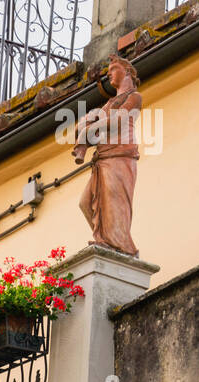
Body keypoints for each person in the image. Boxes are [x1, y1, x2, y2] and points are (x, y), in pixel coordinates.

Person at [73, 56, 142, 257]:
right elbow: (86, 125)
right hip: (103, 158)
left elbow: (119, 119)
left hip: (121, 155)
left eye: (113, 69)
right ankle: (104, 239)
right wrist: (85, 124)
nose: (108, 73)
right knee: (85, 203)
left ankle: (120, 245)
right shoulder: (109, 103)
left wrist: (91, 125)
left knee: (115, 200)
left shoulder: (134, 97)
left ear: (127, 72)